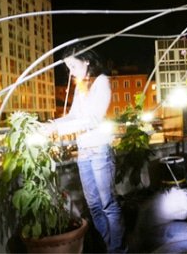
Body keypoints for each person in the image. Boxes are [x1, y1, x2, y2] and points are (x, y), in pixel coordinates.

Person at [42, 45, 126, 253]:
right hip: (84, 152)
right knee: (95, 207)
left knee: (107, 204)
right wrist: (53, 124)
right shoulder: (81, 86)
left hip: (99, 151)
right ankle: (108, 246)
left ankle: (119, 249)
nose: (70, 71)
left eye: (72, 65)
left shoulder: (101, 82)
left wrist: (57, 129)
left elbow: (93, 119)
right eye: (68, 67)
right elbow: (73, 116)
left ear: (86, 60)